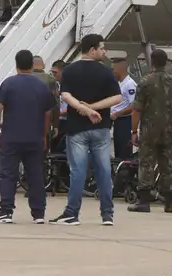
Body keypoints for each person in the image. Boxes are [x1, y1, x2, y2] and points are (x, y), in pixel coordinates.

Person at [50, 34, 121, 226]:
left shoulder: (70, 71)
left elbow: (66, 96)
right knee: (104, 170)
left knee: (78, 171)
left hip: (76, 128)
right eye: (102, 48)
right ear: (92, 50)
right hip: (101, 128)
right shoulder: (107, 72)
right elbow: (117, 98)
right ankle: (107, 214)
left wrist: (85, 109)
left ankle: (72, 213)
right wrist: (95, 108)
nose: (104, 51)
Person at [0, 49, 56, 223]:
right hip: (34, 137)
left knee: (8, 174)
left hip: (11, 136)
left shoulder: (9, 83)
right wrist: (44, 135)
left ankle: (6, 211)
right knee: (35, 174)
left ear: (16, 64)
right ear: (32, 65)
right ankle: (38, 214)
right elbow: (48, 112)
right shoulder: (41, 86)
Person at [128, 49, 172, 213]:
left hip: (149, 130)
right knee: (167, 164)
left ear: (151, 62)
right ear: (166, 62)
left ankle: (144, 201)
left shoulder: (144, 82)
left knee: (146, 162)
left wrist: (133, 131)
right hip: (168, 130)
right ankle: (170, 202)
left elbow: (136, 110)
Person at [109, 58, 137, 161]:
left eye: (113, 69)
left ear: (120, 69)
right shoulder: (120, 83)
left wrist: (117, 113)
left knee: (124, 152)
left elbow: (133, 105)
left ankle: (126, 175)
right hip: (117, 120)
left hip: (125, 121)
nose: (112, 72)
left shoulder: (130, 84)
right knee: (118, 151)